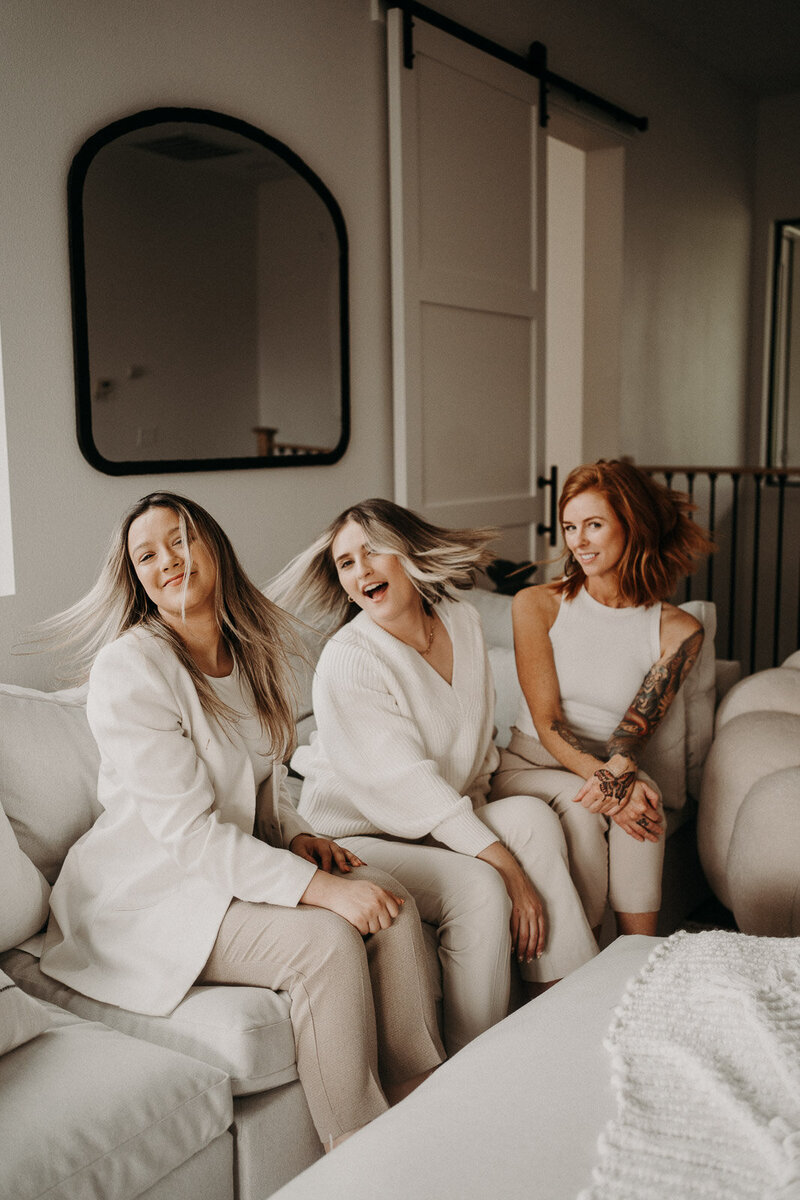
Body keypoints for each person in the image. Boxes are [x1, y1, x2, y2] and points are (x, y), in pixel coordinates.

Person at [39, 492, 444, 1152]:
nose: (168, 561)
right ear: (136, 579)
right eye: (148, 556)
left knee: (390, 909)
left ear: (213, 548)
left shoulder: (245, 649)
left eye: (180, 540)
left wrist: (296, 833)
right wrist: (320, 890)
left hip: (224, 870)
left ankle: (420, 1099)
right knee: (327, 942)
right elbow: (190, 833)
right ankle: (365, 1155)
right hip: (149, 894)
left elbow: (264, 776)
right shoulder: (131, 668)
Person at [269, 498, 598, 1056]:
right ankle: (477, 1060)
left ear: (409, 552)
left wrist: (499, 828)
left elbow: (475, 748)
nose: (361, 570)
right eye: (346, 563)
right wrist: (510, 872)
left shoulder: (461, 621)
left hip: (438, 816)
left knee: (535, 819)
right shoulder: (350, 660)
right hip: (357, 834)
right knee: (481, 888)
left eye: (373, 551)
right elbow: (411, 788)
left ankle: (568, 1011)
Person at [490, 460, 714, 938]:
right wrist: (611, 782)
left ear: (631, 526)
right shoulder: (536, 604)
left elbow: (634, 732)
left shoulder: (678, 630)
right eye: (571, 527)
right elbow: (546, 721)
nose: (579, 541)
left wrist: (620, 774)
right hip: (527, 767)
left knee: (643, 804)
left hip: (607, 764)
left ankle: (638, 954)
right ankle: (585, 952)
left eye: (594, 525)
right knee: (594, 811)